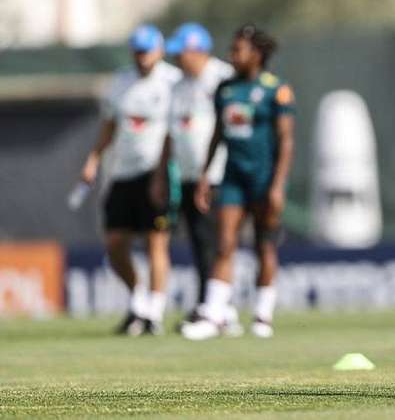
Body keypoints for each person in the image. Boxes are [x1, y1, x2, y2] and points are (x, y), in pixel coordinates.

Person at [181, 24, 295, 341]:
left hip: (264, 177)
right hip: (232, 176)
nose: (232, 56)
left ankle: (262, 314)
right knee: (224, 243)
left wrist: (276, 185)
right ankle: (215, 314)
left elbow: (286, 141)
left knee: (264, 245)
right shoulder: (225, 89)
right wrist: (205, 175)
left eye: (238, 50)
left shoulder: (276, 89)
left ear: (256, 54)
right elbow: (217, 134)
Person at [78, 24, 182, 335]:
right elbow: (110, 125)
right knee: (114, 242)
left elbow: (173, 133)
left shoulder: (172, 83)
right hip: (123, 172)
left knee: (155, 242)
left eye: (147, 51)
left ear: (160, 50)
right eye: (137, 52)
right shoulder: (120, 83)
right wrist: (94, 158)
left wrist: (163, 174)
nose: (142, 58)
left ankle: (155, 311)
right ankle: (138, 300)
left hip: (156, 171)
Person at [151, 23, 234, 320]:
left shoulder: (222, 79)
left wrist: (209, 172)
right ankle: (207, 304)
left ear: (198, 51)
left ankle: (218, 308)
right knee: (199, 242)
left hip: (216, 176)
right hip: (185, 176)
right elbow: (170, 134)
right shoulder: (177, 86)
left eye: (181, 53)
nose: (177, 60)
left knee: (216, 241)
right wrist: (162, 173)